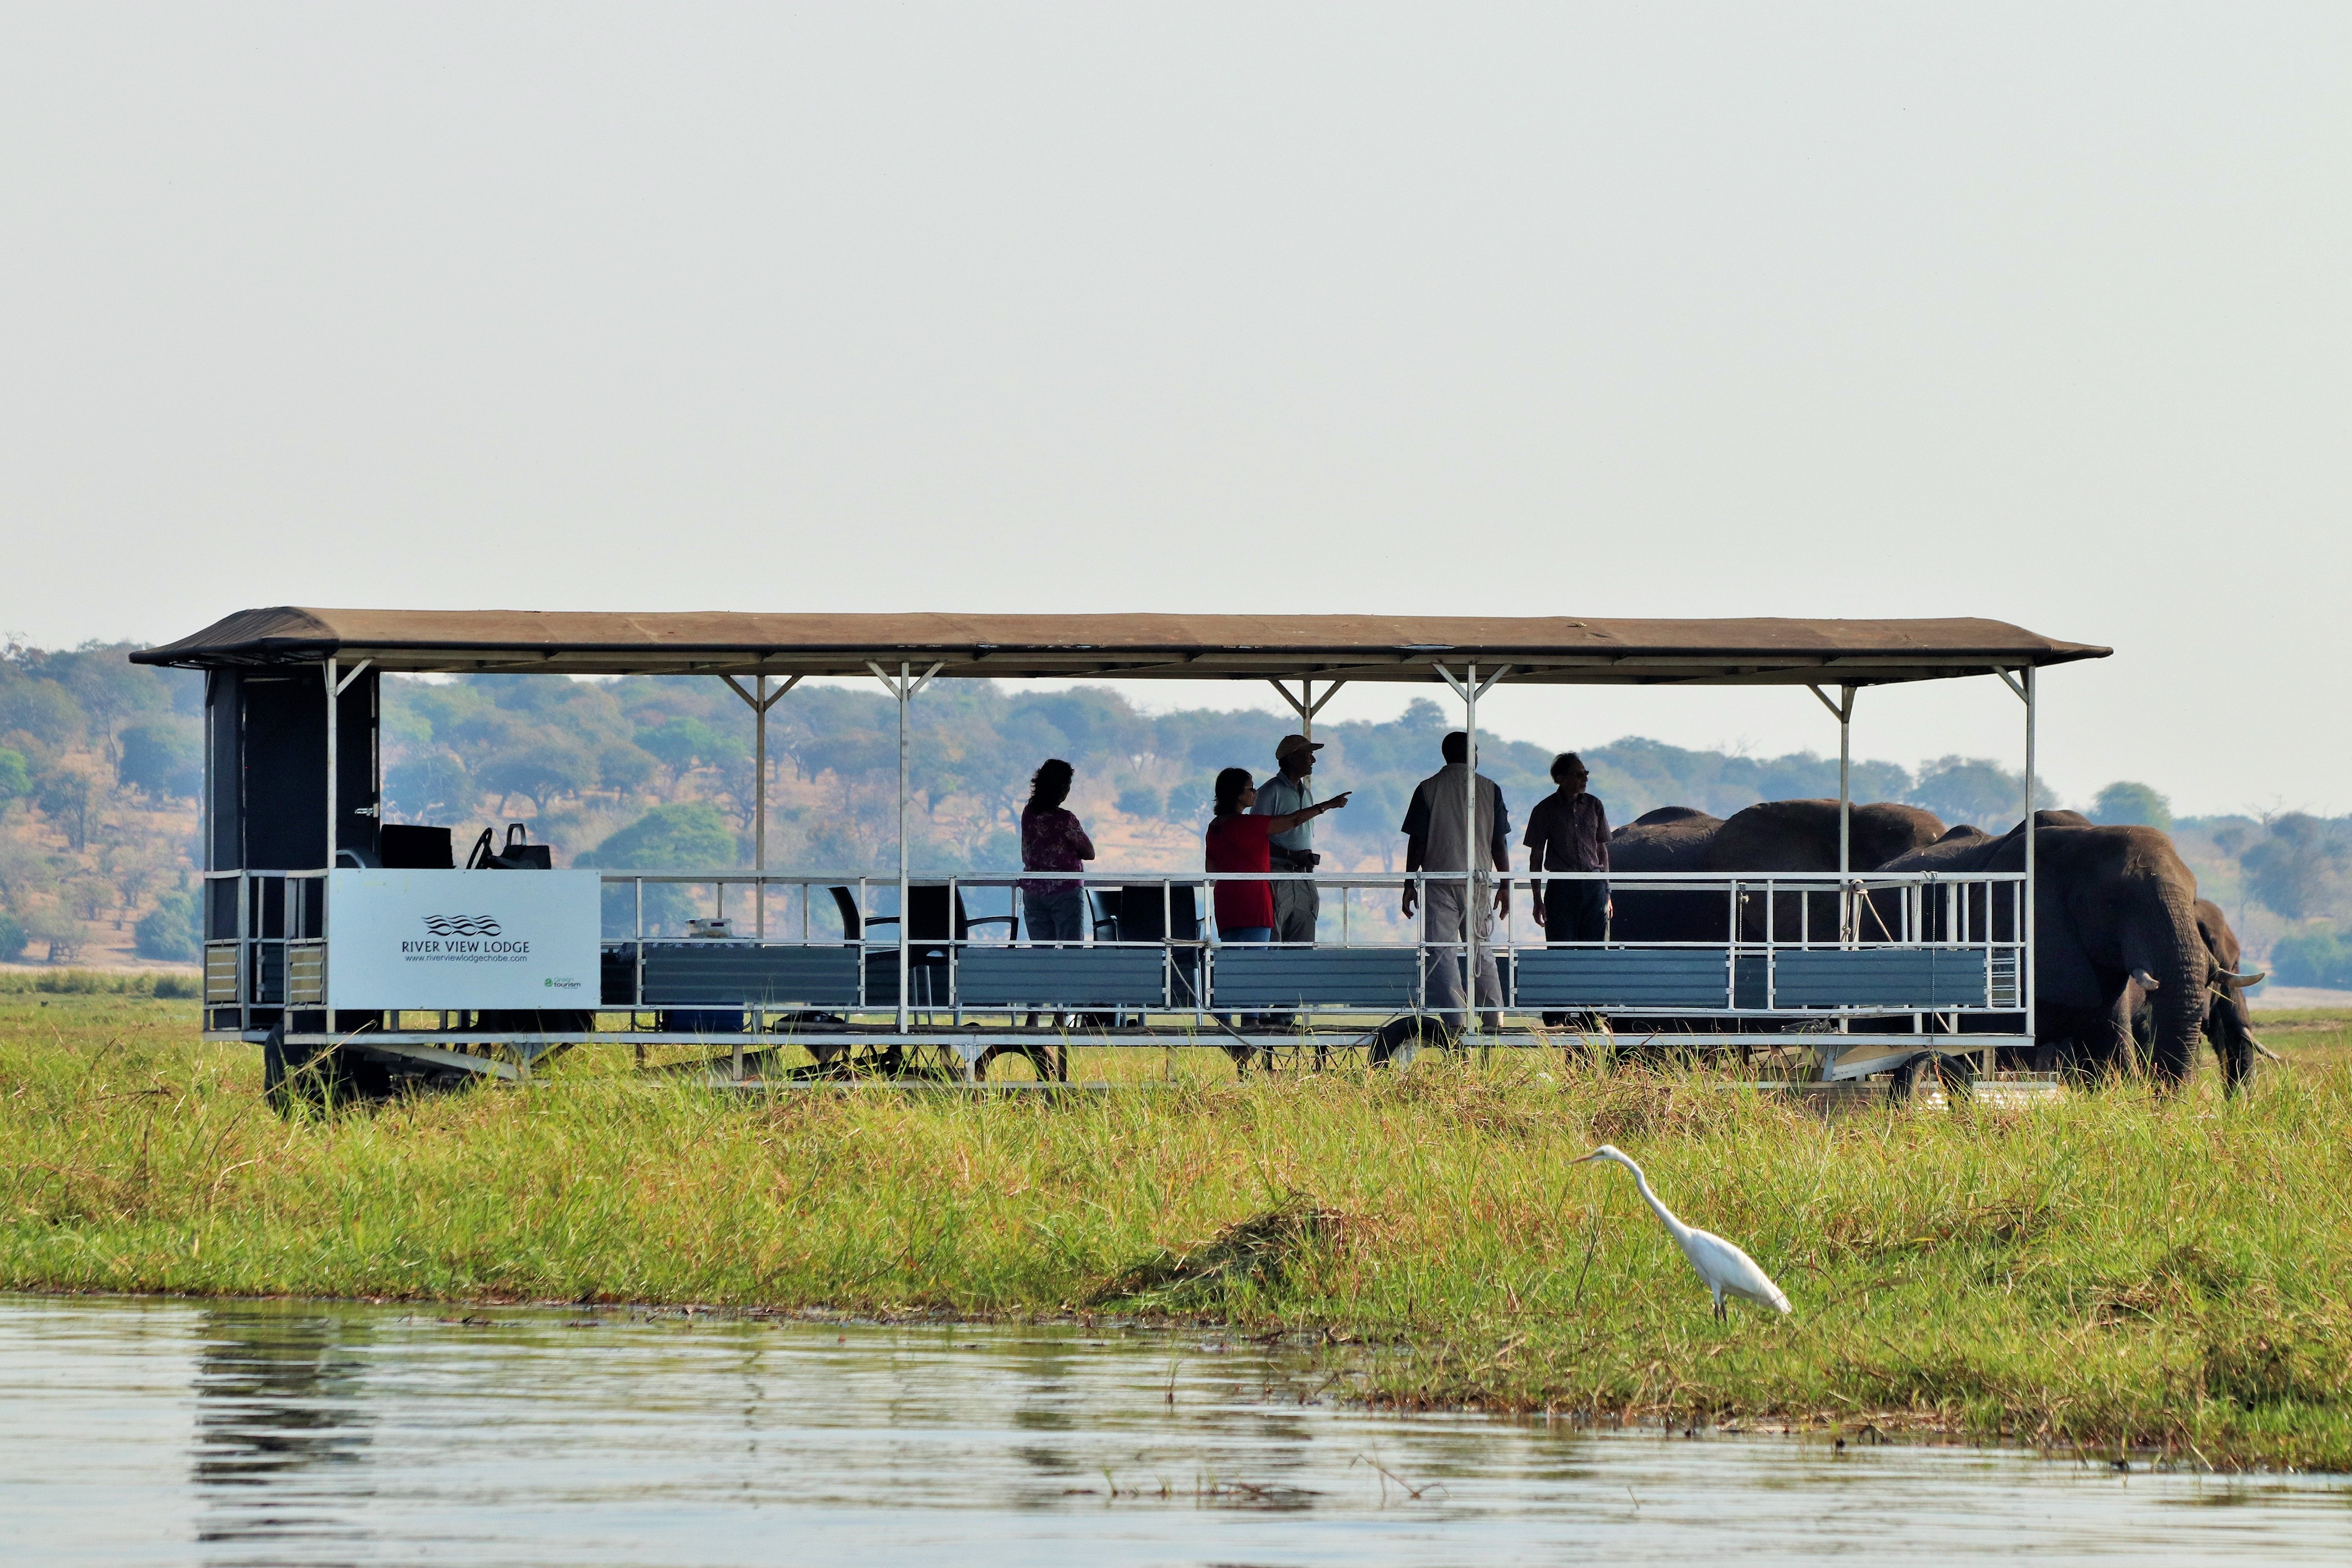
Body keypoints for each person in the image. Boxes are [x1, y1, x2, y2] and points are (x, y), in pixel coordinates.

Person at [1399, 731, 1510, 1034]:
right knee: (1481, 949)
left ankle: (1455, 1020)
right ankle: (1494, 1018)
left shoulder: (1428, 788)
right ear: (1471, 754)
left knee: (1442, 951)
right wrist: (1505, 883)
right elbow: (1499, 842)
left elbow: (1418, 842)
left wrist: (1410, 882)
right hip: (1479, 882)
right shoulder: (1490, 789)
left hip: (1439, 879)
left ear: (1446, 754)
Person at [1205, 765, 1349, 945]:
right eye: (1250, 788)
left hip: (1226, 905)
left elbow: (1210, 869)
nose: (1255, 792)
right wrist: (1327, 806)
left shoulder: (1214, 828)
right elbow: (1293, 820)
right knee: (1257, 964)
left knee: (1233, 964)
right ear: (1238, 794)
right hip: (1255, 904)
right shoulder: (1252, 825)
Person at [1522, 751, 1612, 1028]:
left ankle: (1592, 1011)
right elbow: (1536, 857)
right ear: (1560, 779)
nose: (1585, 778)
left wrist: (1608, 892)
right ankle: (1557, 1012)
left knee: (1595, 950)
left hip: (1593, 884)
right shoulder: (1545, 809)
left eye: (1586, 773)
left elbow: (1602, 850)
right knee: (1560, 949)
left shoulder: (1595, 806)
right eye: (1578, 774)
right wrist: (1537, 899)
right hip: (1561, 886)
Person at [1253, 733, 1326, 944]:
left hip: (1303, 877)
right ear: (1293, 758)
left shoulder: (1306, 793)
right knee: (1274, 941)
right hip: (1278, 876)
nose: (1313, 759)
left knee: (1303, 944)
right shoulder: (1270, 792)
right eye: (1308, 754)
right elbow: (1257, 839)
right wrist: (1290, 854)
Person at [1019, 759, 1094, 942]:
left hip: (1033, 890)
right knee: (1071, 951)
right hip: (1065, 891)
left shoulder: (1029, 813)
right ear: (1060, 788)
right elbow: (1089, 853)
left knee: (1041, 952)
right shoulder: (1066, 820)